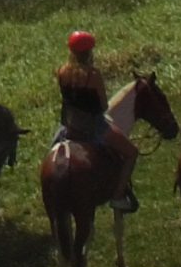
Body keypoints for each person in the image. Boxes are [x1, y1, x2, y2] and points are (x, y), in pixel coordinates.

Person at [55, 28, 141, 212]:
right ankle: (118, 196)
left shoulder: (62, 71)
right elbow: (102, 106)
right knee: (131, 152)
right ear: (89, 52)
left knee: (52, 152)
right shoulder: (93, 75)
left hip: (69, 125)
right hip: (92, 126)